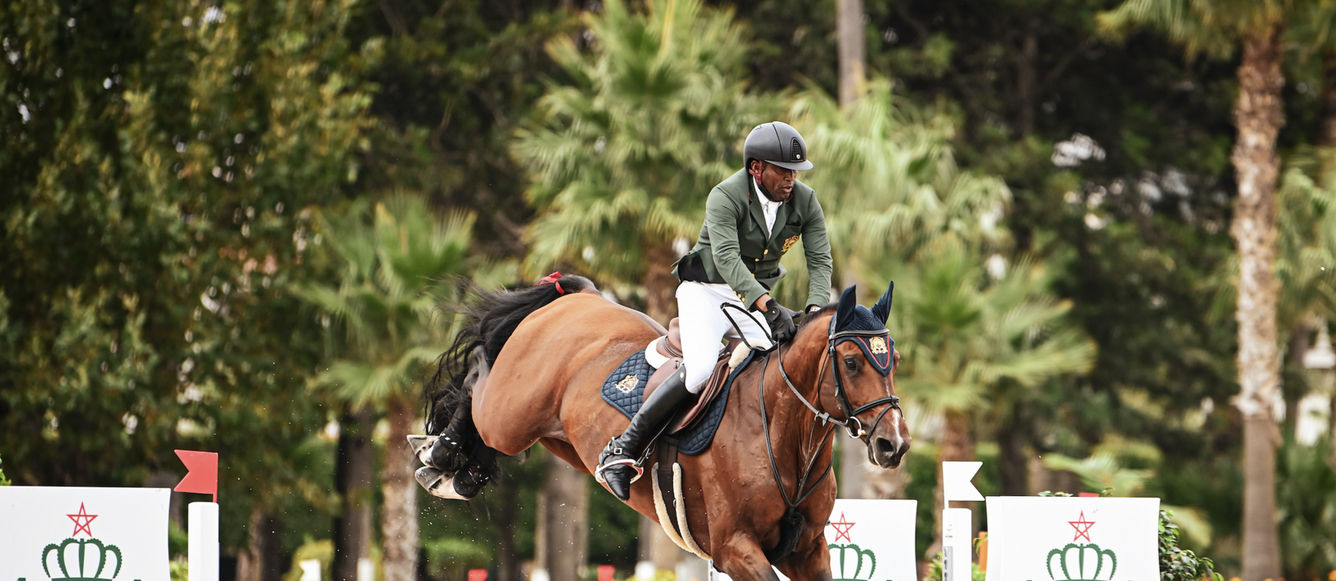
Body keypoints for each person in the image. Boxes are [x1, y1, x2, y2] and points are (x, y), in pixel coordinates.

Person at [596, 121, 834, 501]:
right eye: (783, 170)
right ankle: (623, 450)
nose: (791, 178)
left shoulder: (805, 201)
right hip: (706, 292)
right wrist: (768, 305)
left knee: (784, 364)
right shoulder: (725, 195)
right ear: (756, 168)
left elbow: (820, 259)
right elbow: (726, 259)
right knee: (702, 369)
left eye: (795, 171)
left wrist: (815, 310)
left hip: (752, 299)